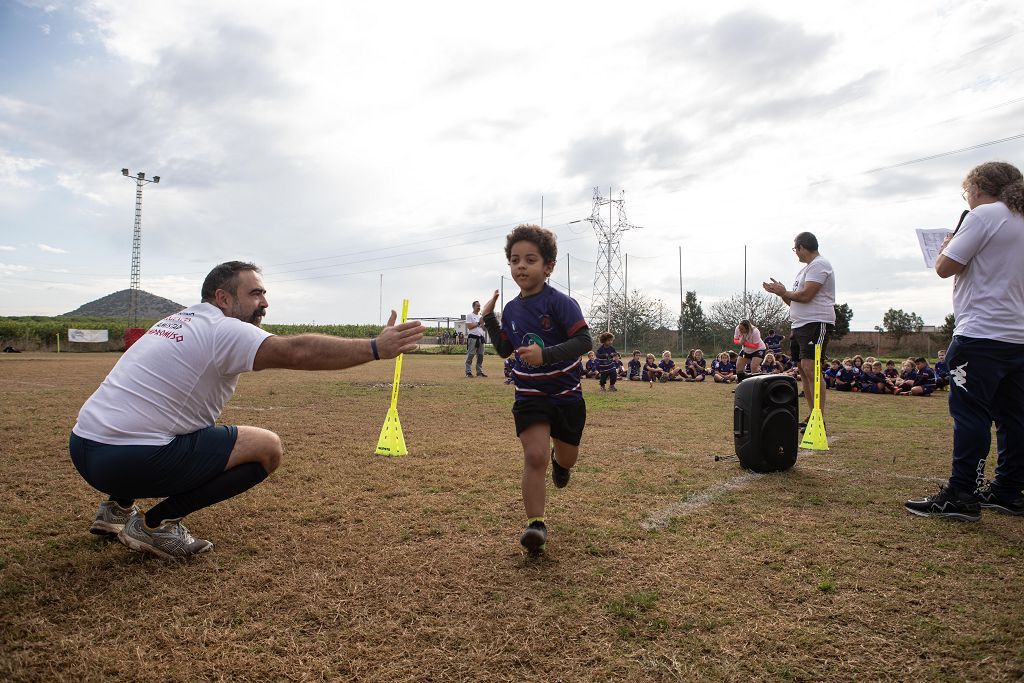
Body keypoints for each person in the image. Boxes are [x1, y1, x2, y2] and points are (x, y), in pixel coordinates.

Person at [70, 261, 424, 559]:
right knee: (266, 447)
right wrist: (376, 347)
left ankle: (115, 509)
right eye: (255, 294)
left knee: (178, 422)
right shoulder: (223, 329)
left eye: (264, 293)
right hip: (130, 460)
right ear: (223, 298)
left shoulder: (176, 320)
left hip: (85, 448)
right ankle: (156, 525)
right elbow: (295, 351)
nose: (265, 303)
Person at [906, 161, 1024, 520]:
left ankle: (961, 493)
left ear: (979, 188)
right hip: (1017, 335)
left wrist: (948, 245)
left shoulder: (984, 215)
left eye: (966, 191)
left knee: (971, 413)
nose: (967, 197)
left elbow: (945, 267)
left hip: (981, 333)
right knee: (1013, 417)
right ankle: (1008, 491)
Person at [480, 224, 593, 555]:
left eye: (530, 259)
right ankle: (536, 525)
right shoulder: (512, 309)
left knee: (567, 456)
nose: (521, 267)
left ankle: (563, 463)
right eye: (515, 260)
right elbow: (505, 350)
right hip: (530, 393)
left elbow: (583, 341)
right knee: (534, 455)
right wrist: (489, 319)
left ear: (548, 266)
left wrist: (546, 354)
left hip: (567, 395)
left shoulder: (562, 303)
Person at [763, 232, 836, 428]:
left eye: (795, 249)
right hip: (800, 325)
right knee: (803, 370)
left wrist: (785, 291)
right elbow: (793, 301)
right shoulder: (804, 271)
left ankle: (819, 418)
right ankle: (812, 415)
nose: (795, 253)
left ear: (802, 247)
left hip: (816, 323)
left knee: (812, 369)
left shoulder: (820, 265)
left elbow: (806, 296)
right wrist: (781, 293)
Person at [464, 300, 487, 377]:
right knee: (470, 355)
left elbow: (484, 329)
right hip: (473, 338)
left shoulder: (481, 317)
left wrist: (484, 324)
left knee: (480, 356)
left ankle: (479, 372)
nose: (479, 307)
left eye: (479, 306)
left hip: (481, 338)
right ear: (473, 306)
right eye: (477, 306)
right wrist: (479, 323)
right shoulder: (470, 315)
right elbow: (469, 327)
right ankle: (468, 372)